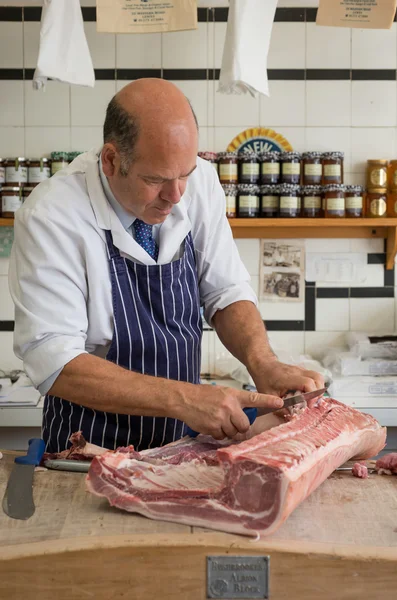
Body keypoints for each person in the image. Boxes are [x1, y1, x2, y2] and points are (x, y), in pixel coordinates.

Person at [9, 79, 324, 453]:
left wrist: (263, 362)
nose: (175, 197)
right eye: (155, 180)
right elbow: (54, 360)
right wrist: (184, 399)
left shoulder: (200, 181)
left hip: (184, 448)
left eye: (184, 175)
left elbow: (225, 291)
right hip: (88, 451)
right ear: (111, 160)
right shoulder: (52, 216)